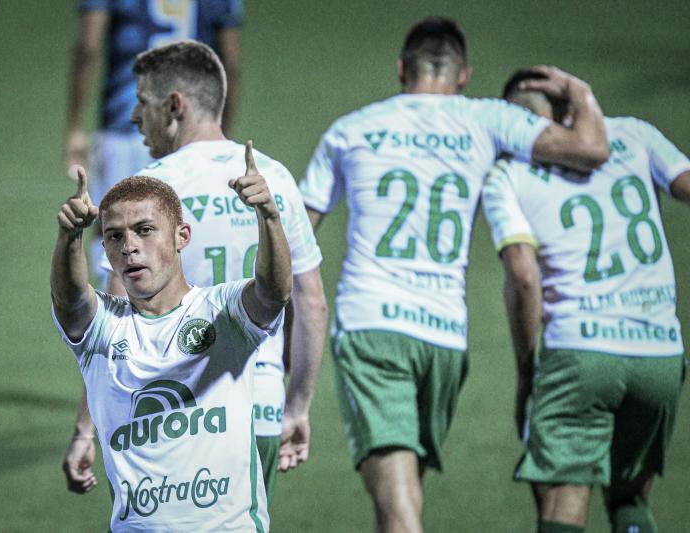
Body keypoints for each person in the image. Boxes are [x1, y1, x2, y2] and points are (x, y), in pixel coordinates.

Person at [299, 17, 609, 533]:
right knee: (402, 499)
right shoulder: (488, 119)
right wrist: (578, 90)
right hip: (443, 335)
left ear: (402, 68)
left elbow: (298, 230)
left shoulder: (352, 128)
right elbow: (592, 148)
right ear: (463, 75)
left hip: (373, 328)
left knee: (398, 508)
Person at [62, 41, 328, 506]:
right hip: (259, 408)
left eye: (141, 103)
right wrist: (298, 404)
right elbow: (310, 301)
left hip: (167, 416)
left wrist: (86, 427)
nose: (133, 117)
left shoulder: (152, 195)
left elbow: (110, 324)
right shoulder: (273, 178)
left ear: (174, 106)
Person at [482, 68, 690, 533]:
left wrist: (525, 369)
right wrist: (584, 95)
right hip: (659, 350)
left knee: (562, 503)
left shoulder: (507, 175)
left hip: (580, 353)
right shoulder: (634, 135)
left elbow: (523, 276)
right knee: (629, 497)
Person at [51, 139, 289, 531]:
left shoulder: (222, 312)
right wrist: (69, 238)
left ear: (182, 236)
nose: (129, 246)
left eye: (145, 230)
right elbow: (71, 299)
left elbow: (274, 292)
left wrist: (269, 217)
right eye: (114, 236)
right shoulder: (104, 329)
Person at [65, 0, 243, 288]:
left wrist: (74, 127)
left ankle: (121, 331)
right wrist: (217, 133)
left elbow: (88, 47)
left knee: (117, 244)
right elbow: (230, 64)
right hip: (189, 128)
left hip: (126, 127)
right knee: (182, 236)